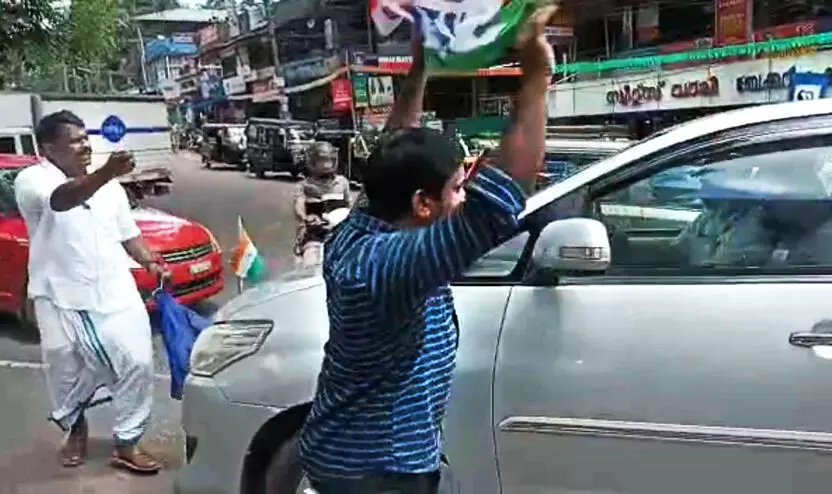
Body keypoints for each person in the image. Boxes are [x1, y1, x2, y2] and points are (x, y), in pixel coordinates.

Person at [298, 7, 555, 494]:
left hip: (354, 452)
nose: (462, 195)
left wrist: (420, 66)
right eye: (457, 187)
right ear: (421, 204)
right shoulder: (391, 264)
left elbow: (394, 148)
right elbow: (497, 202)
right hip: (378, 469)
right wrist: (537, 79)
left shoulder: (364, 223)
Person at [14, 110, 171, 474]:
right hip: (58, 296)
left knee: (136, 361)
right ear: (50, 148)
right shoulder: (32, 180)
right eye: (75, 140)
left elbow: (128, 233)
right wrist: (106, 173)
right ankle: (76, 430)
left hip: (115, 290)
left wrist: (149, 261)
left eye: (87, 138)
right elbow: (61, 200)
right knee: (65, 369)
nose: (85, 145)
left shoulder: (111, 188)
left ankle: (127, 441)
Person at [293, 141, 352, 267]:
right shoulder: (303, 186)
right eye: (322, 161)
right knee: (310, 265)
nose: (327, 165)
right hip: (315, 235)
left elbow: (350, 207)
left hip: (341, 235)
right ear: (313, 162)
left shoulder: (342, 183)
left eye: (329, 160)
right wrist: (305, 218)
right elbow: (299, 205)